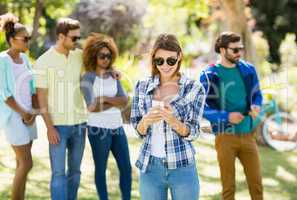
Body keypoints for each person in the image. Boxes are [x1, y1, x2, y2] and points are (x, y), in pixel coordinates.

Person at [130, 34, 205, 200]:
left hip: (182, 167)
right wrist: (146, 120)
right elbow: (137, 130)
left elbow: (193, 132)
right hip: (150, 168)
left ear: (179, 57)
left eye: (170, 60)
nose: (165, 65)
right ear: (154, 60)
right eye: (160, 61)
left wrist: (173, 121)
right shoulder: (142, 86)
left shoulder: (194, 88)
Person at [199, 31, 263, 200]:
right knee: (228, 188)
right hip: (225, 136)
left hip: (248, 134)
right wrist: (226, 117)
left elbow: (258, 94)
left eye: (240, 49)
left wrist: (256, 105)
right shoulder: (209, 74)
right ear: (221, 50)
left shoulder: (248, 69)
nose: (239, 53)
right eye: (234, 50)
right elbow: (203, 107)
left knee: (257, 186)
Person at [34, 18, 87, 200]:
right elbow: (41, 97)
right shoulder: (43, 61)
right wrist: (49, 127)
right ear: (61, 36)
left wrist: (113, 72)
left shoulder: (79, 55)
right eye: (74, 38)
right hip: (58, 127)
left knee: (75, 172)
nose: (77, 41)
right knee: (58, 173)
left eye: (78, 38)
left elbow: (99, 66)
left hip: (80, 124)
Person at [80, 33, 132, 200]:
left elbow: (124, 100)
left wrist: (104, 99)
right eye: (102, 56)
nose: (106, 59)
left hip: (117, 127)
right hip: (98, 129)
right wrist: (113, 102)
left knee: (126, 168)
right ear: (94, 56)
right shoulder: (87, 78)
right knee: (101, 169)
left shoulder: (114, 76)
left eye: (109, 56)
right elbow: (92, 107)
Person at [0, 13, 38, 200]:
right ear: (13, 40)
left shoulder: (25, 59)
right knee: (27, 163)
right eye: (26, 38)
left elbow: (32, 88)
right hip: (14, 116)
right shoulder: (2, 60)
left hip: (29, 115)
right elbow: (5, 94)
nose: (28, 41)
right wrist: (23, 113)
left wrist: (33, 112)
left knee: (20, 164)